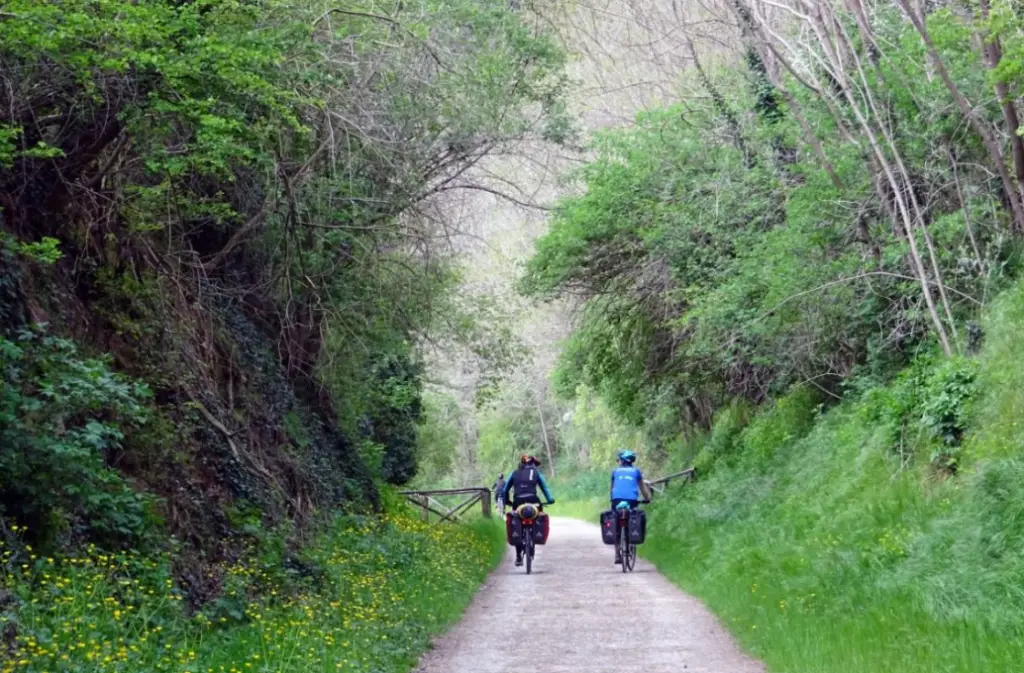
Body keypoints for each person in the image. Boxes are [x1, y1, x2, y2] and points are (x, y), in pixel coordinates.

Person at [502, 455, 555, 566]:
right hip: (533, 500)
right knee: (537, 515)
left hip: (518, 502)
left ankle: (518, 556)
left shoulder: (514, 473)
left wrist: (507, 501)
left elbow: (505, 489)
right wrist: (550, 500)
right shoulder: (536, 473)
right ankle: (535, 536)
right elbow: (544, 488)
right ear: (532, 464)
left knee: (516, 521)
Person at [610, 449, 651, 564]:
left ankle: (617, 554)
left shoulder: (615, 472)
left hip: (616, 500)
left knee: (616, 524)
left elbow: (612, 489)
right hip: (632, 500)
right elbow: (643, 489)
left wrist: (612, 500)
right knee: (632, 518)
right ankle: (630, 539)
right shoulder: (636, 472)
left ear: (621, 461)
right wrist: (647, 499)